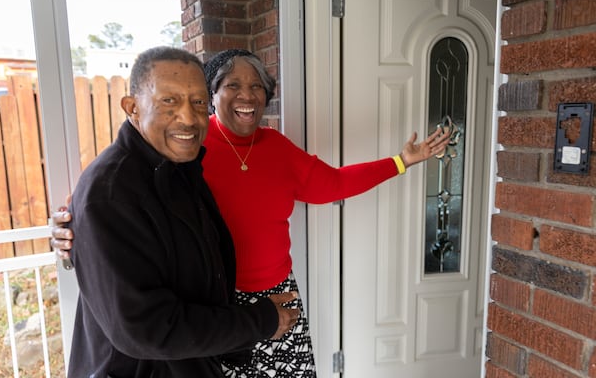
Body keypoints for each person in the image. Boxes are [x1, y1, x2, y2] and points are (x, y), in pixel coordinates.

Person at [52, 49, 451, 378]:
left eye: (257, 86)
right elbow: (112, 193)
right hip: (212, 307)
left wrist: (401, 161)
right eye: (234, 85)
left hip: (276, 297)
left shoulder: (265, 148)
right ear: (216, 93)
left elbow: (335, 183)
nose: (247, 95)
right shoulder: (185, 143)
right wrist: (68, 228)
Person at [61, 46, 299, 378]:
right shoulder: (110, 193)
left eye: (198, 102)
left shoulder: (180, 168)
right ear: (132, 107)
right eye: (169, 101)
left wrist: (399, 163)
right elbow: (147, 328)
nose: (188, 117)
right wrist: (259, 321)